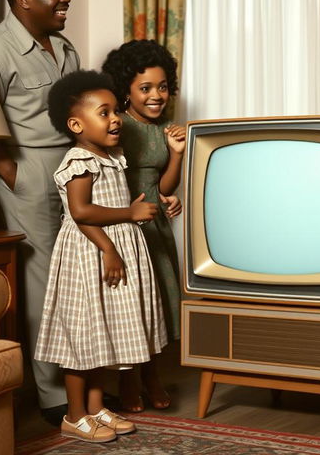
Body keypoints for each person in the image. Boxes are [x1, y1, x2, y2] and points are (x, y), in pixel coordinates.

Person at [0, 0, 80, 423]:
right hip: (29, 175)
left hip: (76, 171)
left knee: (79, 279)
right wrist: (12, 174)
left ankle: (84, 387)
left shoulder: (65, 46)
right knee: (42, 286)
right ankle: (53, 395)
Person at [35, 70, 167, 443]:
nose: (115, 119)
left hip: (109, 250)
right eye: (104, 113)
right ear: (77, 124)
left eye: (115, 112)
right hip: (89, 254)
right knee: (82, 339)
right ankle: (74, 416)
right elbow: (81, 212)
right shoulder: (79, 160)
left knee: (101, 336)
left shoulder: (112, 156)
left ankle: (95, 409)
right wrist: (125, 221)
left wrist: (129, 213)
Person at [102, 39, 184, 412]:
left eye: (163, 86)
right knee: (131, 305)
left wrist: (177, 156)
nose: (156, 95)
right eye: (145, 88)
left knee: (156, 305)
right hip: (124, 223)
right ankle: (130, 379)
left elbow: (164, 186)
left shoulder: (166, 128)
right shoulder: (117, 126)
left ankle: (151, 377)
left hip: (155, 227)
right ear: (126, 90)